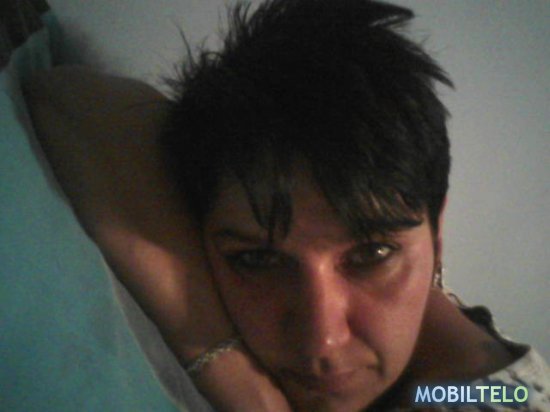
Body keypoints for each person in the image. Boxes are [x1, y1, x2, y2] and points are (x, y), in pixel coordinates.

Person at [25, 0, 549, 410]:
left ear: (437, 236)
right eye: (257, 259)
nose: (321, 341)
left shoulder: (489, 391)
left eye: (371, 254)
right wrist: (229, 370)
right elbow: (69, 98)